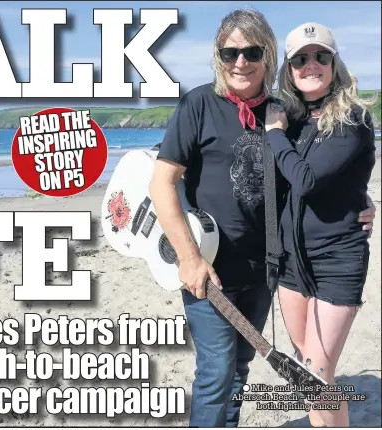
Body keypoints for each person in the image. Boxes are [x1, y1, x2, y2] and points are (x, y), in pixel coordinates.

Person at [148, 9, 376, 427]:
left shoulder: (282, 113)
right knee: (216, 374)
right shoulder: (199, 103)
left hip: (267, 271)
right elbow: (162, 183)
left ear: (268, 57)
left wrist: (361, 203)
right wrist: (188, 257)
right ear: (218, 57)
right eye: (230, 52)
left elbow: (315, 171)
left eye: (252, 51)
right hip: (209, 268)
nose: (241, 61)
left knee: (238, 371)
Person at [264, 22, 376, 427]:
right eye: (301, 59)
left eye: (321, 56)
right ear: (290, 70)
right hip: (292, 262)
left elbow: (307, 179)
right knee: (311, 373)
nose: (311, 65)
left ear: (334, 63)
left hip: (337, 261)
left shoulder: (353, 119)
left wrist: (274, 135)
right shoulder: (292, 120)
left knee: (314, 375)